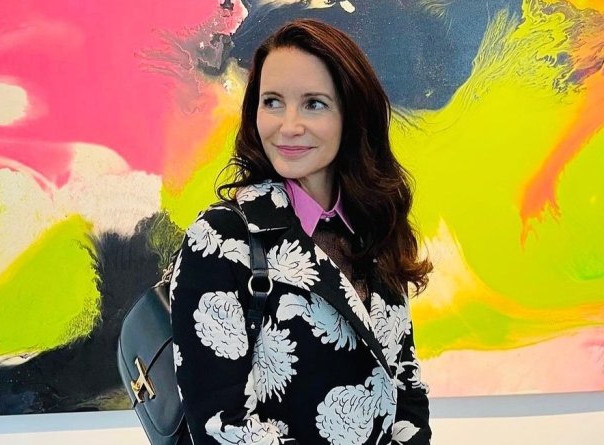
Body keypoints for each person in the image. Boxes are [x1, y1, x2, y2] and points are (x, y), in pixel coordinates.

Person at [170, 18, 433, 445]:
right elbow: (222, 428)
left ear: (352, 114)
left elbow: (406, 390)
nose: (288, 126)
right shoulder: (221, 237)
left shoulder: (374, 228)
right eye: (272, 101)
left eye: (314, 104)